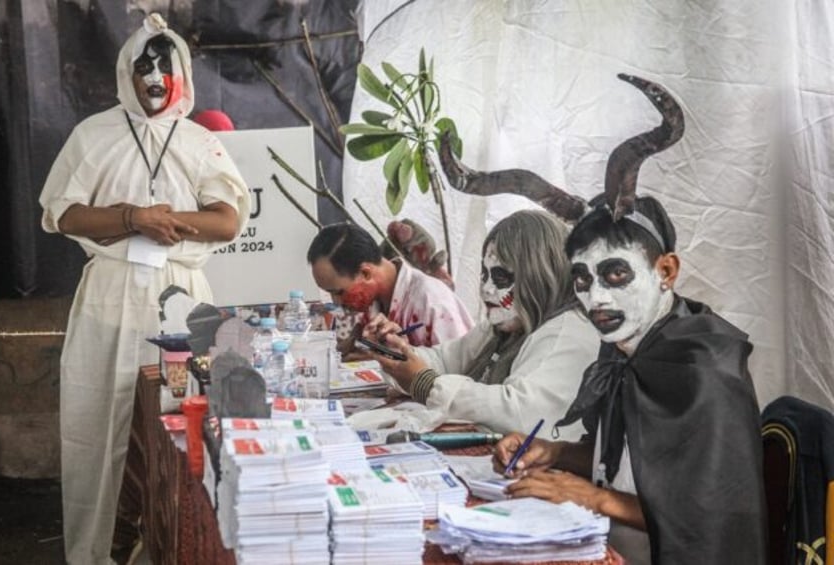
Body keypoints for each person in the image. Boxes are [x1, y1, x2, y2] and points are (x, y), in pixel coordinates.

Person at [492, 76, 767, 565]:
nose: (595, 297)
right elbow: (621, 463)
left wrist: (594, 499)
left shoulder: (704, 370)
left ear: (666, 271)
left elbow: (708, 516)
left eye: (615, 274)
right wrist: (554, 455)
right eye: (582, 279)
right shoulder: (626, 349)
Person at [38, 14, 251, 564]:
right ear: (125, 75)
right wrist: (133, 217)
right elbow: (62, 214)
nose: (154, 76)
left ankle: (164, 550)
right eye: (143, 66)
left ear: (182, 72)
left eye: (165, 65)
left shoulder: (201, 141)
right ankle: (93, 553)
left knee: (177, 426)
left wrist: (167, 221)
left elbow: (227, 221)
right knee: (98, 425)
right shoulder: (94, 134)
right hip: (110, 295)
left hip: (180, 296)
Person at [362, 209, 598, 440]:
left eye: (501, 278)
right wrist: (398, 352)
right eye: (484, 275)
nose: (486, 289)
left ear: (541, 277)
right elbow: (448, 359)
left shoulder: (568, 332)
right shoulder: (504, 328)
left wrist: (425, 383)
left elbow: (519, 412)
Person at [307, 222, 474, 348]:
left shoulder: (431, 302)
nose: (336, 302)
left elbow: (461, 376)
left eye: (339, 292)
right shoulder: (370, 302)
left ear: (366, 273)